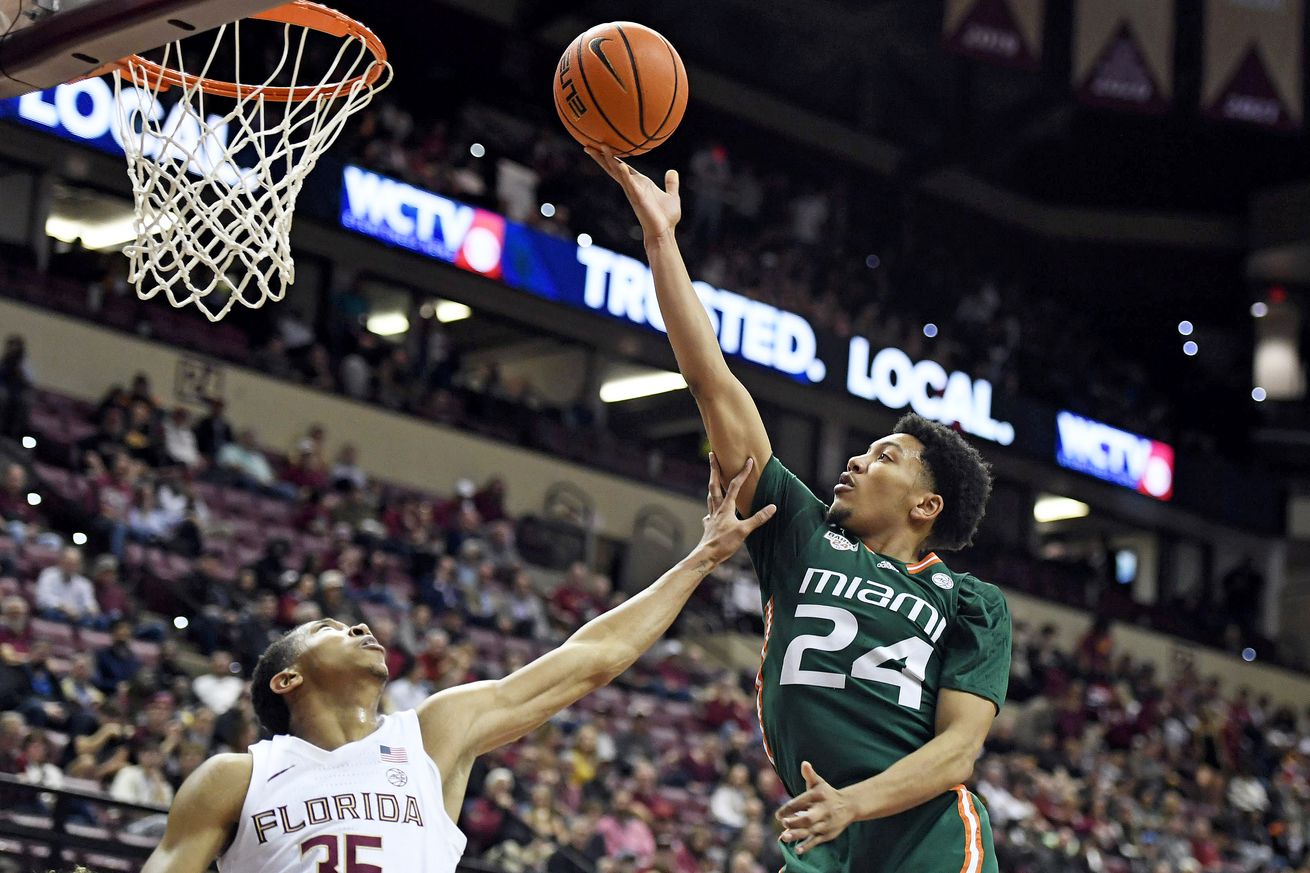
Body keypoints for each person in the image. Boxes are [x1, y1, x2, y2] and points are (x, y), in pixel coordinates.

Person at [590, 145, 1011, 873]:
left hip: (926, 836)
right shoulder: (800, 531)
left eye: (884, 456)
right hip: (822, 831)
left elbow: (958, 750)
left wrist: (857, 800)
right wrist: (661, 240)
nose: (855, 459)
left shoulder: (971, 601)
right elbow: (712, 383)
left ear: (927, 503)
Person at [140, 460, 775, 873]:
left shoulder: (432, 734)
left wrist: (702, 558)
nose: (359, 627)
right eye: (328, 629)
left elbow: (590, 660)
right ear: (287, 678)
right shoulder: (232, 778)